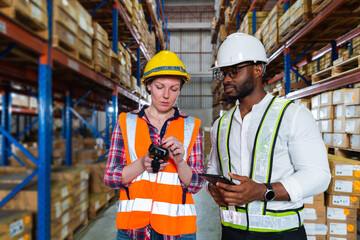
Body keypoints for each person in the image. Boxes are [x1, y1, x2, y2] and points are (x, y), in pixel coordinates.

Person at [206, 32, 331, 240]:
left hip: (282, 234)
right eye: (223, 73)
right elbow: (214, 171)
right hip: (231, 233)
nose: (226, 79)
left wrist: (263, 191)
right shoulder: (221, 125)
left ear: (258, 69)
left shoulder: (292, 115)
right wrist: (215, 189)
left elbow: (318, 176)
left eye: (234, 71)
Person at [104, 50, 205, 240]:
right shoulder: (126, 122)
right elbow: (110, 177)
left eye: (174, 89)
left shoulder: (191, 126)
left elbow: (197, 184)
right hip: (133, 230)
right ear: (148, 85)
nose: (166, 95)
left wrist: (180, 162)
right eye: (160, 87)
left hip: (178, 230)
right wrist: (142, 164)